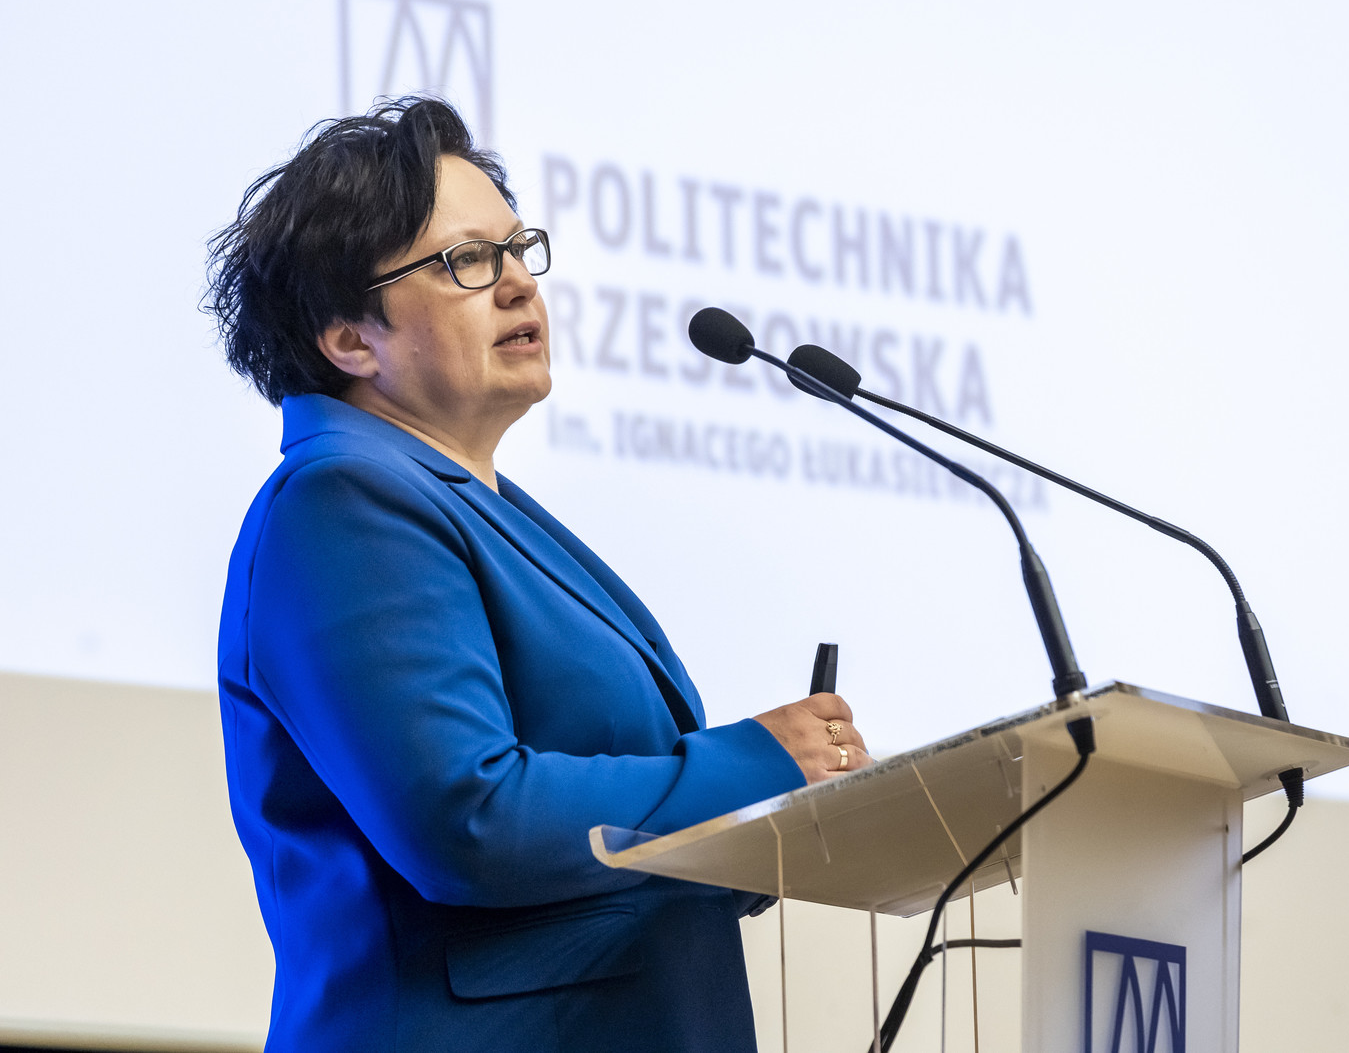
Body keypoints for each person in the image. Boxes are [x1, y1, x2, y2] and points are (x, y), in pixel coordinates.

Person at [205, 97, 869, 1053]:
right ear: (349, 337)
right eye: (466, 261)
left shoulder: (481, 509)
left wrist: (774, 818)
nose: (518, 283)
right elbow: (469, 821)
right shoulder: (342, 500)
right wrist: (757, 764)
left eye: (518, 250)